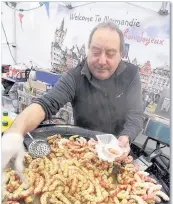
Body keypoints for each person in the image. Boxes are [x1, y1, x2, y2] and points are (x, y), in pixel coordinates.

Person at [2, 22, 143, 173]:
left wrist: (126, 137)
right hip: (82, 150)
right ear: (88, 50)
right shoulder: (74, 77)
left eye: (110, 54)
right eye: (95, 52)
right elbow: (44, 104)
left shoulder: (131, 75)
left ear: (121, 54)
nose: (102, 61)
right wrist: (15, 132)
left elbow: (136, 116)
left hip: (117, 152)